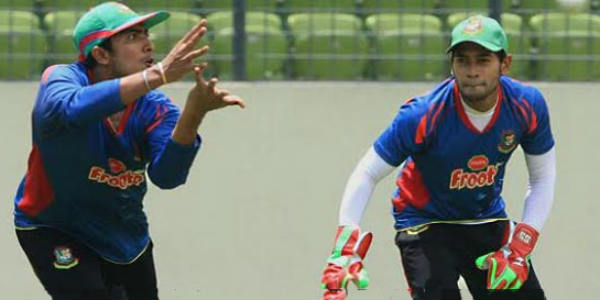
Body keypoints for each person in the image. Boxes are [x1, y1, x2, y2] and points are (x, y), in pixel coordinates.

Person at [13, 2, 244, 299]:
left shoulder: (155, 108)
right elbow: (71, 108)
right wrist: (157, 75)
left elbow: (167, 177)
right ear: (101, 54)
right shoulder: (61, 78)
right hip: (53, 225)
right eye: (132, 37)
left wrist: (194, 114)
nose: (149, 43)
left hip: (124, 236)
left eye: (145, 34)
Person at [320, 15, 555, 300]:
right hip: (423, 223)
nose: (471, 71)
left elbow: (542, 178)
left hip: (485, 218)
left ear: (505, 64)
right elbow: (367, 173)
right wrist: (345, 246)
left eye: (483, 60)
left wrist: (521, 245)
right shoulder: (423, 114)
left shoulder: (527, 105)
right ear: (451, 65)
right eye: (462, 61)